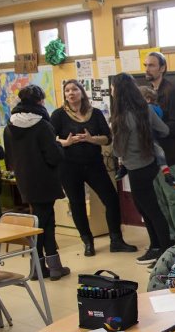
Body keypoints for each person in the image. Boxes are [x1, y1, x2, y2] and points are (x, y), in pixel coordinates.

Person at [50, 79, 137, 257]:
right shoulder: (58, 115)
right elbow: (51, 139)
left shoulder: (95, 113)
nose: (71, 93)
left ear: (82, 92)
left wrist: (91, 139)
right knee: (77, 203)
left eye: (74, 89)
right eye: (67, 91)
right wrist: (66, 142)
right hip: (69, 166)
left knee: (111, 199)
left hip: (94, 164)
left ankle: (116, 239)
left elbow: (107, 138)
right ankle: (87, 241)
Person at [3, 85, 70, 280]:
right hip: (45, 179)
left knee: (40, 221)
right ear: (40, 101)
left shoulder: (10, 125)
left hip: (25, 179)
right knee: (47, 223)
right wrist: (60, 145)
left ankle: (41, 267)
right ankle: (49, 267)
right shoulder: (42, 125)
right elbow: (53, 157)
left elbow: (10, 158)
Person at [109, 73, 172, 265]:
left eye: (112, 88)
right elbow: (165, 130)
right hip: (150, 165)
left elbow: (118, 149)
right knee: (149, 208)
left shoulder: (121, 117)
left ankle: (163, 251)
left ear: (118, 91)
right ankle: (156, 247)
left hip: (136, 168)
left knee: (149, 210)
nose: (111, 91)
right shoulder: (145, 109)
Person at [144, 52, 175, 241]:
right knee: (159, 201)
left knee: (174, 201)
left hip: (169, 156)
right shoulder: (145, 93)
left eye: (152, 65)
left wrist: (158, 128)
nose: (147, 69)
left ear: (162, 68)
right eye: (146, 65)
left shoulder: (172, 92)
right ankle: (169, 243)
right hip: (150, 156)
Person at [113, 86, 175, 187]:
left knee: (158, 153)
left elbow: (161, 128)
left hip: (148, 139)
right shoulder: (152, 108)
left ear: (147, 99)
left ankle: (167, 173)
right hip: (148, 140)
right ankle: (167, 174)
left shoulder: (148, 108)